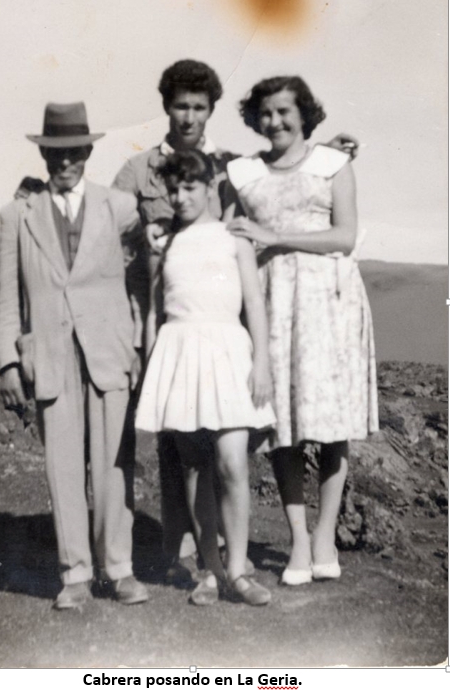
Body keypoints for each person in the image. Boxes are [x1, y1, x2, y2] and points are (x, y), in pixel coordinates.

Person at [112, 58, 360, 583]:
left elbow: (283, 189)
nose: (189, 116)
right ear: (167, 108)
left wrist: (327, 151)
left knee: (251, 436)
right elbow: (120, 223)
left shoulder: (234, 166)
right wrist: (144, 234)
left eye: (199, 107)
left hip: (268, 311)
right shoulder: (148, 170)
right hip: (190, 316)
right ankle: (191, 551)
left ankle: (250, 547)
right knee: (190, 440)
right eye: (181, 106)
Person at [225, 76, 379, 586]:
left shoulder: (333, 164)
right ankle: (297, 540)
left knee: (332, 425)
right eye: (266, 113)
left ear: (304, 113)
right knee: (282, 426)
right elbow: (229, 233)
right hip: (270, 303)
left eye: (285, 111)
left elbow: (344, 235)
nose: (275, 121)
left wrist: (274, 235)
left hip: (329, 303)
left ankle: (325, 534)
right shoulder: (243, 173)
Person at [0, 102, 149, 609]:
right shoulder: (17, 215)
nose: (65, 162)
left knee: (114, 465)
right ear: (43, 156)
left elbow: (142, 274)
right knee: (62, 466)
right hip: (50, 354)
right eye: (55, 153)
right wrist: (8, 361)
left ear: (87, 151)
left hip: (108, 351)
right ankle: (75, 576)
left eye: (74, 152)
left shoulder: (118, 206)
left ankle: (119, 569)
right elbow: (7, 295)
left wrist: (138, 341)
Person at [135, 149, 276, 606]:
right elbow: (155, 312)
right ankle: (210, 571)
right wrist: (154, 372)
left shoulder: (234, 238)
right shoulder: (164, 243)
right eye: (173, 189)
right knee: (195, 466)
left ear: (210, 186)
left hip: (228, 350)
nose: (180, 197)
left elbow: (254, 304)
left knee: (233, 462)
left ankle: (238, 570)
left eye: (190, 187)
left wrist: (261, 363)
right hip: (180, 353)